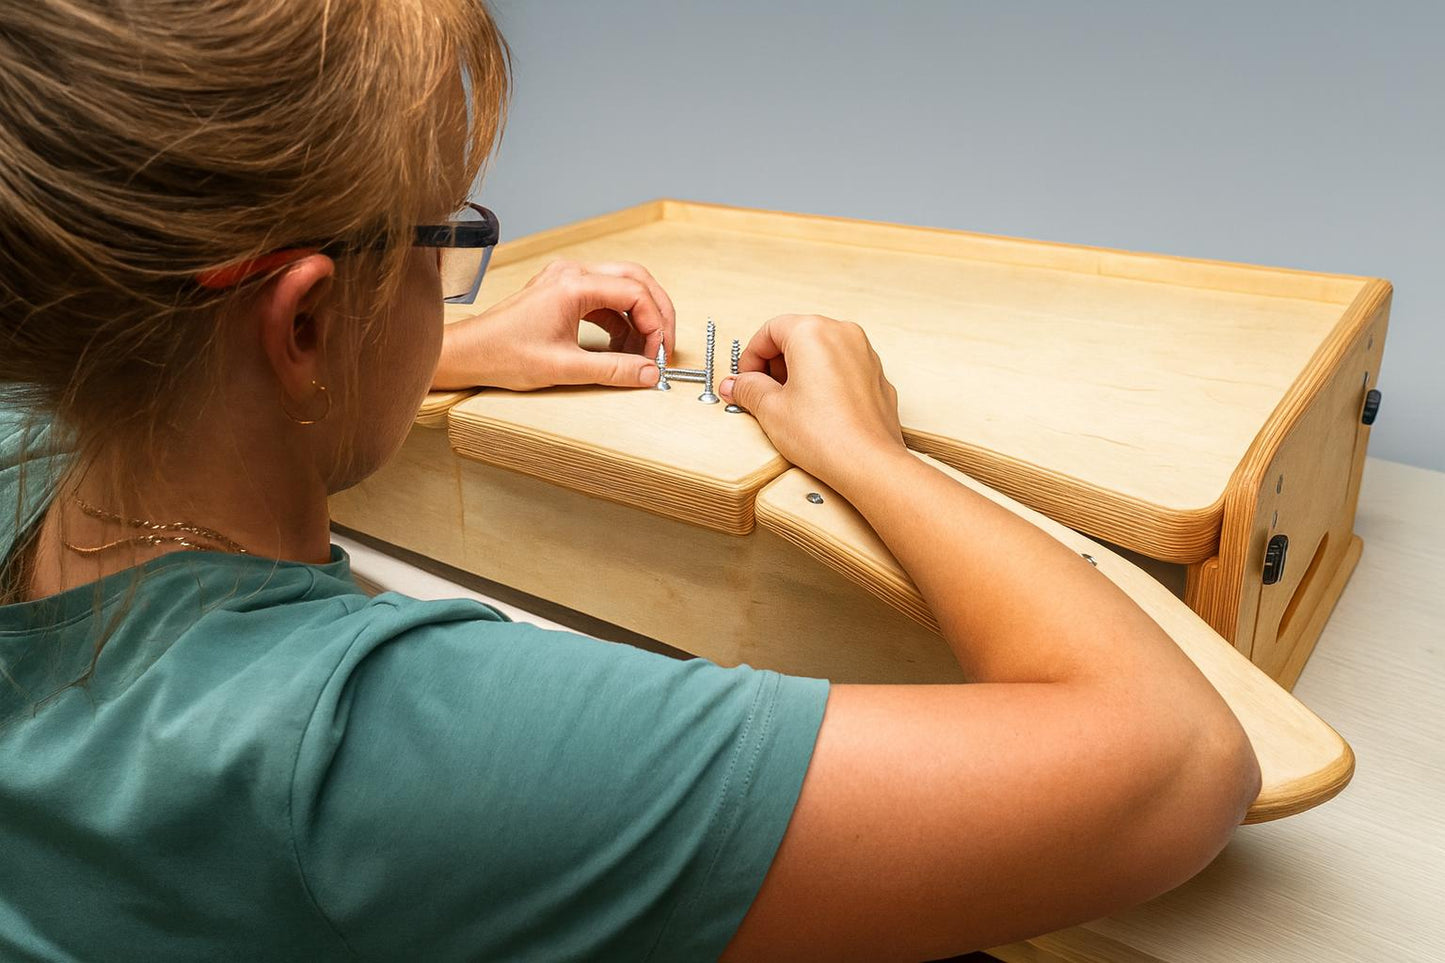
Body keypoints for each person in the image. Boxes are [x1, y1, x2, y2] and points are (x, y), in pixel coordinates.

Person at [0, 2, 1260, 960]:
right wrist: (869, 450)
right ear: (306, 328)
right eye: (448, 238)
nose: (456, 284)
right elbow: (1178, 763)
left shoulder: (32, 422)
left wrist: (458, 348)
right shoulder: (370, 751)